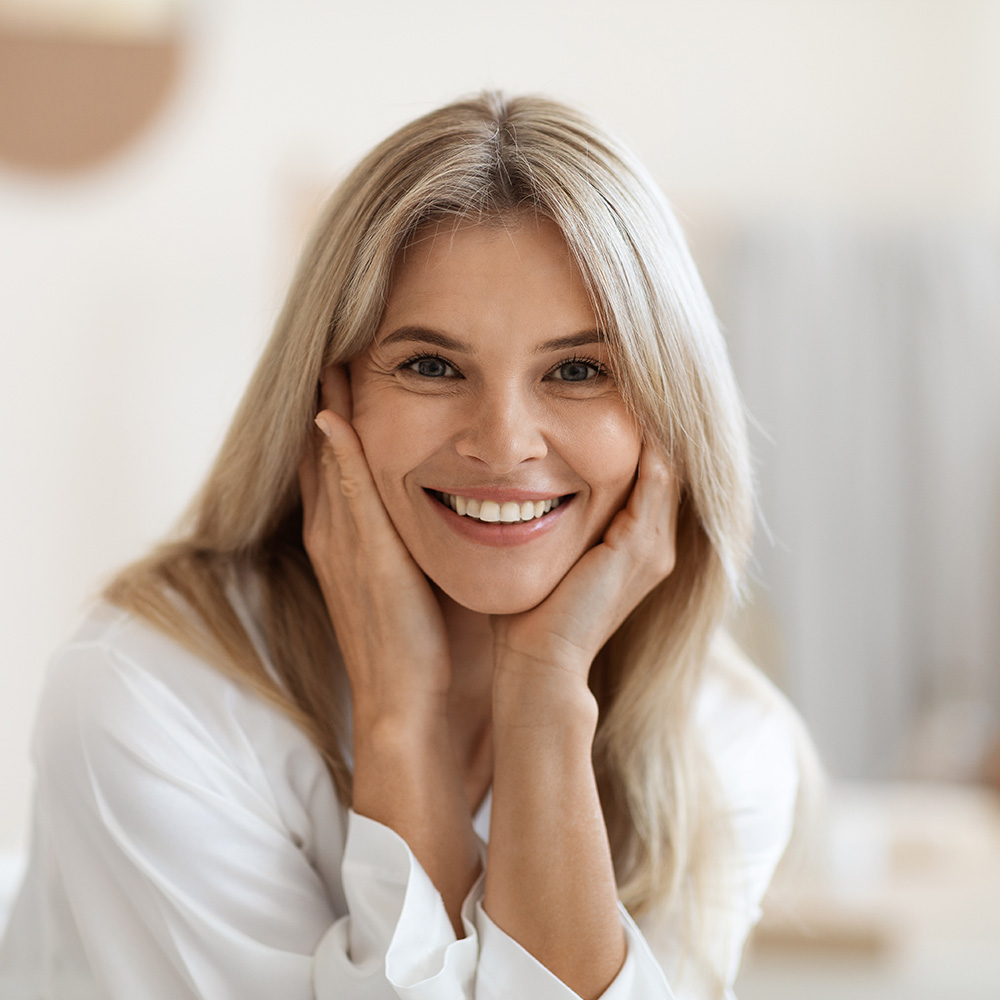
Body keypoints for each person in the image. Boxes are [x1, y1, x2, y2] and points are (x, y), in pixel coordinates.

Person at [0, 92, 811, 1000]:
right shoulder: (149, 702)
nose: (504, 444)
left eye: (579, 370)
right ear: (329, 400)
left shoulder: (722, 745)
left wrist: (544, 699)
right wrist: (400, 717)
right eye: (431, 366)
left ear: (667, 417)